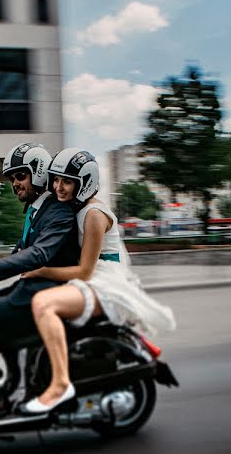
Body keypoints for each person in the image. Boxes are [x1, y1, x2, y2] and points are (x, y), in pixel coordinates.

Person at [19, 148, 176, 413]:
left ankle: (60, 383)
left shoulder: (93, 215)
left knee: (44, 305)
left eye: (67, 181)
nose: (59, 187)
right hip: (95, 278)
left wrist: (40, 271)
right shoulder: (76, 209)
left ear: (84, 183)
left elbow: (84, 271)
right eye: (56, 179)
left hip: (106, 282)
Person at [0, 143, 80, 422]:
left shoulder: (58, 212)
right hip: (27, 290)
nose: (14, 184)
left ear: (40, 173)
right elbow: (19, 252)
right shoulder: (37, 210)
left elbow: (39, 254)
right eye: (11, 179)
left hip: (44, 295)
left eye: (20, 176)